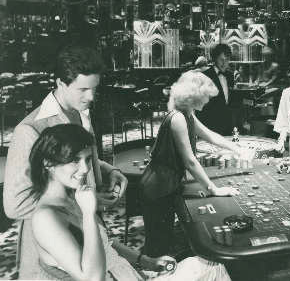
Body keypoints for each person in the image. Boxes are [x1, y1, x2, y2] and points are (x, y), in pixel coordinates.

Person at [29, 124, 231, 281]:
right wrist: (89, 214)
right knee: (212, 269)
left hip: (125, 274)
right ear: (48, 163)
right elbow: (92, 278)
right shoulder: (45, 217)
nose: (84, 169)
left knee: (207, 265)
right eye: (74, 160)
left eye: (88, 159)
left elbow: (105, 244)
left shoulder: (71, 196)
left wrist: (146, 261)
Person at [3, 44, 128, 279]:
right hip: (53, 252)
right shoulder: (30, 130)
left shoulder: (80, 112)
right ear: (60, 83)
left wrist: (109, 170)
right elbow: (14, 205)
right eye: (83, 89)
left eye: (94, 89)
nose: (91, 97)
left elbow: (75, 161)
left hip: (87, 236)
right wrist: (81, 201)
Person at [140, 71, 246, 257]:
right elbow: (190, 161)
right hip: (157, 186)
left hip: (168, 182)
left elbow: (210, 135)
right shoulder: (178, 119)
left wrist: (237, 148)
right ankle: (148, 269)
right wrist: (214, 189)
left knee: (165, 240)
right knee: (157, 245)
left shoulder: (188, 114)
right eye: (206, 96)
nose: (208, 100)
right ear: (194, 96)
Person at [197, 43, 234, 136]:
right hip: (210, 125)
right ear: (214, 59)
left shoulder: (230, 75)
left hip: (227, 124)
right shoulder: (205, 76)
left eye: (227, 60)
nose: (224, 63)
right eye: (221, 60)